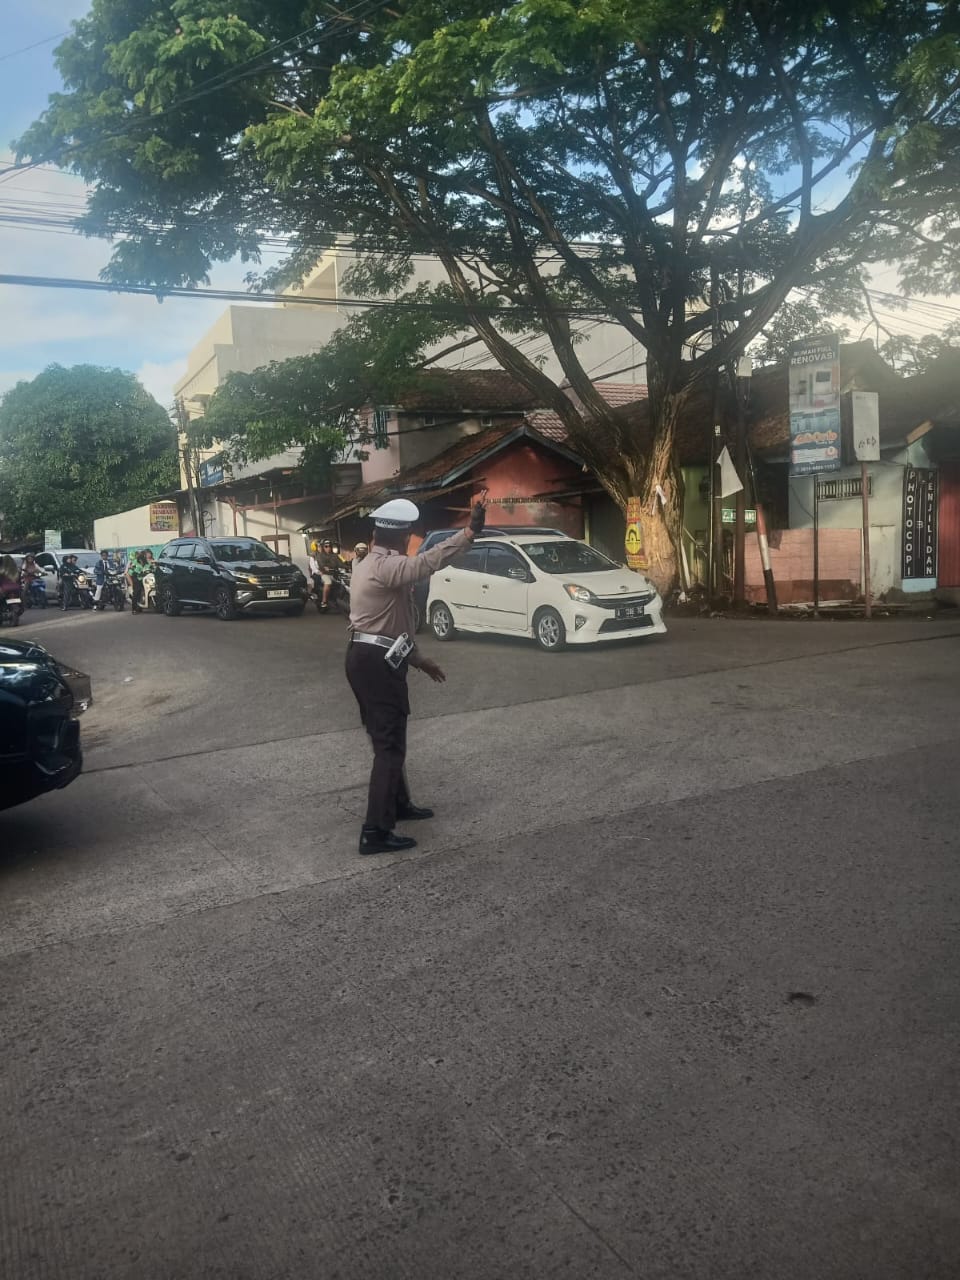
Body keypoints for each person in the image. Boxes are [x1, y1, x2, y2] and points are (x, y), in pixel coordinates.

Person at [345, 493, 487, 856]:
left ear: (376, 534)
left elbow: (394, 627)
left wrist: (420, 661)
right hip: (375, 662)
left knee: (391, 737)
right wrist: (468, 533)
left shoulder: (367, 563)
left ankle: (398, 804)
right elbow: (428, 562)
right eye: (409, 536)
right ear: (402, 536)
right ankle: (375, 831)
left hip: (372, 657)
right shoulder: (385, 567)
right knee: (389, 745)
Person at [311, 538, 342, 611]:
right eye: (326, 546)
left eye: (329, 546)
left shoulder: (334, 555)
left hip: (333, 573)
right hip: (322, 574)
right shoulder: (317, 556)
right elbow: (318, 566)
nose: (328, 548)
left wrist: (349, 565)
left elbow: (341, 563)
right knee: (328, 582)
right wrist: (322, 569)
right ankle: (324, 601)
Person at [126, 549, 146, 613]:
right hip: (137, 579)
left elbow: (150, 567)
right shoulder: (135, 562)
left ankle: (140, 606)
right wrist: (137, 573)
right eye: (139, 554)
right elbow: (131, 571)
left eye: (142, 553)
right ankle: (134, 609)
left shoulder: (146, 562)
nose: (141, 555)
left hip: (146, 579)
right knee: (137, 593)